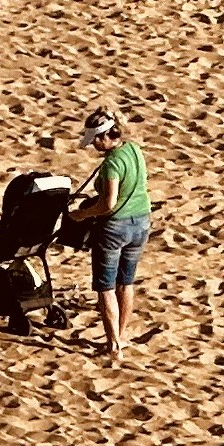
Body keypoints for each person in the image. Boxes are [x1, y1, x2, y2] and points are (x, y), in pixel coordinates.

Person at [64, 111, 154, 361]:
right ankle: (121, 335)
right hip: (142, 221)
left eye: (95, 140)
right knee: (126, 282)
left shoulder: (111, 163)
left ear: (105, 136)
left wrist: (82, 215)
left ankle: (113, 343)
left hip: (116, 227)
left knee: (105, 286)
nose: (93, 144)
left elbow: (108, 204)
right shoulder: (134, 150)